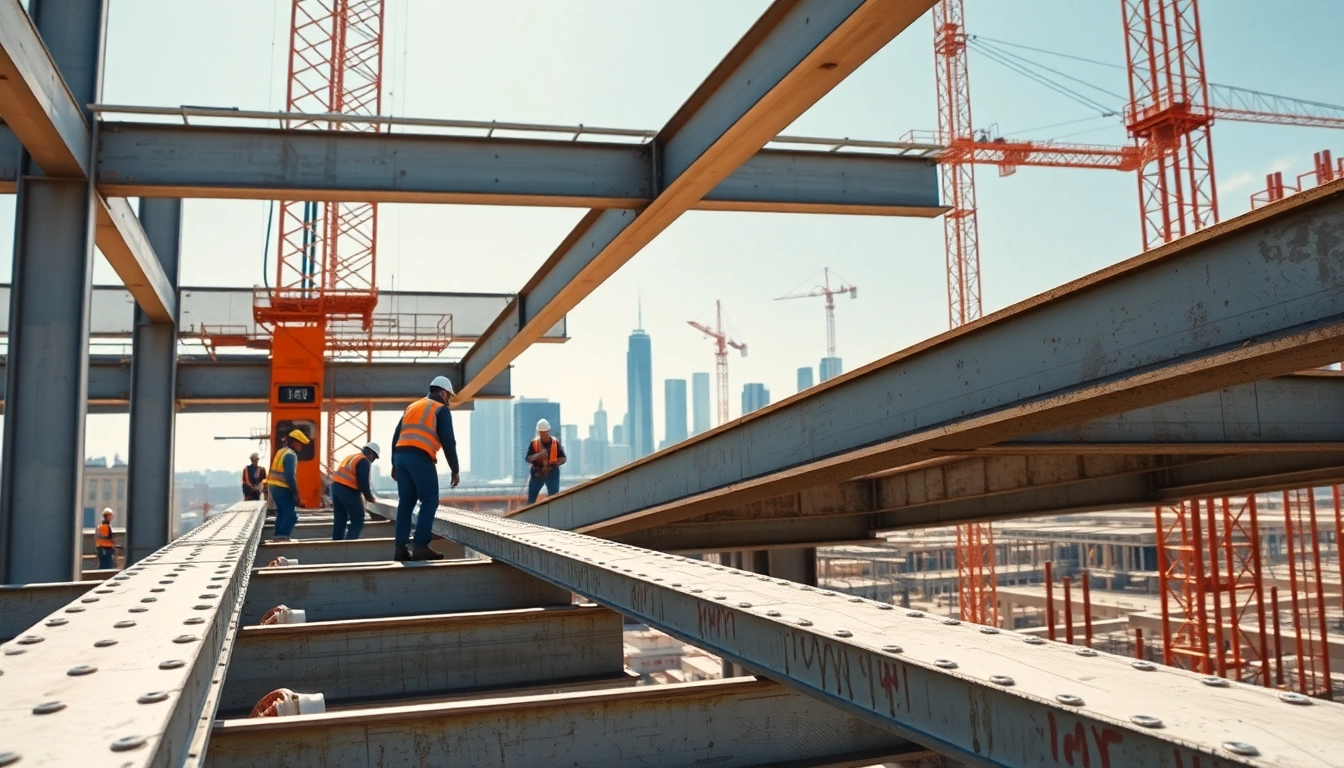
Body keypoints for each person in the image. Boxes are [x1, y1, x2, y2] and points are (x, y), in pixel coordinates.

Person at [390, 375, 460, 562]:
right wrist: (455, 469)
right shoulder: (440, 409)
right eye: (449, 397)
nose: (449, 401)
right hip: (420, 457)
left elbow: (396, 435)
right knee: (429, 500)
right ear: (443, 393)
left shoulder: (412, 407)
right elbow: (448, 441)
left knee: (406, 503)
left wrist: (393, 463)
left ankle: (400, 549)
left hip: (401, 456)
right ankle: (420, 546)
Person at [265, 429, 309, 542]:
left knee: (281, 513)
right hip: (282, 487)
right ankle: (283, 538)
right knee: (291, 516)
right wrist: (296, 493)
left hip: (273, 486)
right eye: (300, 444)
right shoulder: (290, 455)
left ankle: (278, 536)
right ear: (295, 442)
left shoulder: (281, 451)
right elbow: (289, 475)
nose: (301, 447)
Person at [331, 442, 379, 540]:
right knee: (358, 517)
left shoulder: (353, 457)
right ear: (370, 452)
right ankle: (349, 544)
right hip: (347, 489)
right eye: (374, 456)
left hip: (336, 487)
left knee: (340, 518)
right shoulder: (363, 461)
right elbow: (363, 482)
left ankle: (336, 544)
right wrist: (369, 497)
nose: (373, 459)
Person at [525, 418, 567, 504]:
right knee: (531, 499)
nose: (543, 434)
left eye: (545, 432)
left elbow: (563, 458)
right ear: (538, 431)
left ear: (548, 431)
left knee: (554, 498)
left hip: (552, 472)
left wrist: (554, 463)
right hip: (537, 472)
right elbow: (528, 458)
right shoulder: (534, 443)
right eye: (541, 432)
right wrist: (538, 456)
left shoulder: (555, 442)